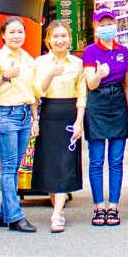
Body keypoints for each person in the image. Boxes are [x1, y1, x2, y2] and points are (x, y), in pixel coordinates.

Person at [0, 17, 39, 233]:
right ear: (3, 35)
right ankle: (15, 217)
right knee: (8, 166)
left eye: (20, 32)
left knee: (15, 166)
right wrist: (5, 77)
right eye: (12, 32)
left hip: (24, 114)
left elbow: (32, 92)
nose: (17, 36)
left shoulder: (28, 59)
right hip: (5, 113)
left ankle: (5, 212)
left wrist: (35, 118)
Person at [31, 20, 85, 233]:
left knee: (64, 164)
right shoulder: (40, 62)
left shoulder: (77, 63)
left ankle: (56, 214)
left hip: (69, 114)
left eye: (64, 36)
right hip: (48, 113)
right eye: (55, 36)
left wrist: (79, 121)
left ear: (70, 39)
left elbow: (82, 95)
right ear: (48, 40)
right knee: (50, 165)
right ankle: (58, 210)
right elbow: (37, 92)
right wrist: (51, 73)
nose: (60, 40)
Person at [82, 8, 128, 227]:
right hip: (97, 104)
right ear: (95, 27)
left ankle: (113, 206)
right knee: (96, 160)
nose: (106, 28)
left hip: (118, 104)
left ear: (116, 25)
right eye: (102, 24)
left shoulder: (124, 51)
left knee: (116, 160)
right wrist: (99, 74)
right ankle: (98, 206)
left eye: (110, 23)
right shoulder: (90, 51)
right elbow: (90, 84)